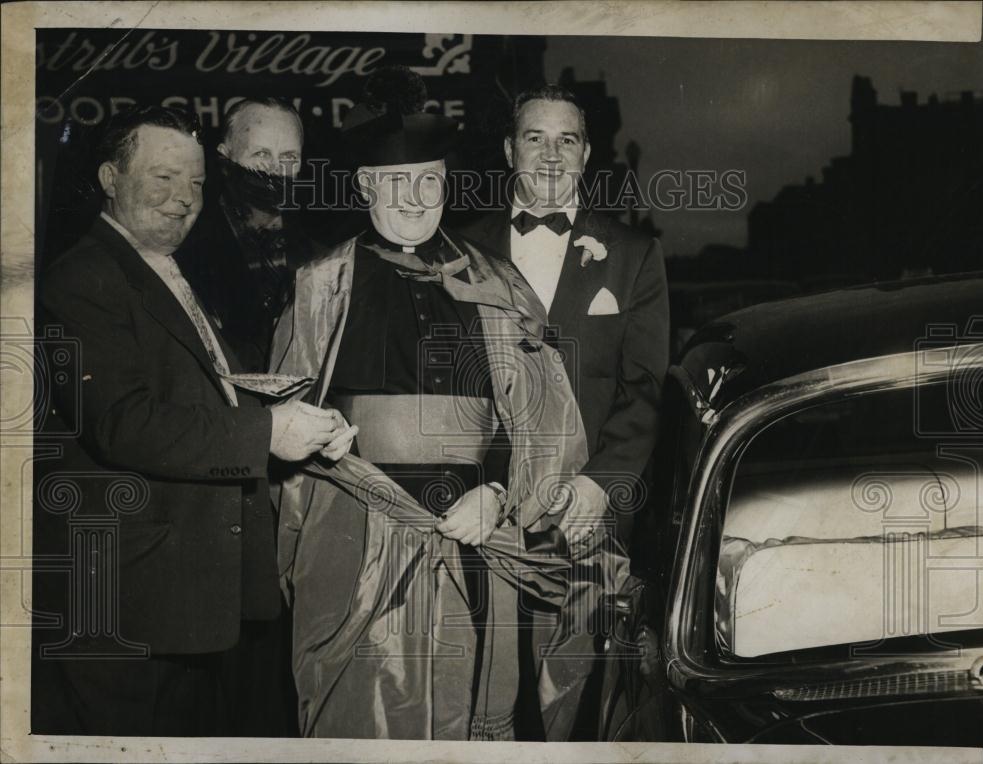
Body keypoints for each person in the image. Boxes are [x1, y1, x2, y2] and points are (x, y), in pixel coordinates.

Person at [269, 67, 593, 740]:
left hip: (475, 532)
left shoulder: (497, 285)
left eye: (428, 180)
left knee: (472, 710)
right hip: (358, 541)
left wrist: (498, 494)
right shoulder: (320, 286)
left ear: (447, 184)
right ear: (364, 187)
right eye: (395, 182)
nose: (414, 198)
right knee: (363, 718)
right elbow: (283, 433)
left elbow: (540, 417)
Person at [32, 105, 354, 736]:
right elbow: (123, 423)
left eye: (197, 183)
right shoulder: (80, 278)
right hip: (126, 600)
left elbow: (213, 391)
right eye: (162, 179)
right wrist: (269, 434)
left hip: (181, 597)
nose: (183, 200)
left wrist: (303, 423)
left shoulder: (163, 267)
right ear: (108, 178)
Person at [460, 84, 671, 740]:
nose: (551, 157)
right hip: (487, 515)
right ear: (507, 150)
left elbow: (645, 389)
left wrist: (598, 483)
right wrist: (482, 485)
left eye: (567, 140)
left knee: (584, 713)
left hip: (589, 524)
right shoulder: (459, 250)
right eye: (534, 138)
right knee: (488, 704)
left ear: (586, 157)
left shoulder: (633, 255)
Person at [176, 97, 315, 372]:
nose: (275, 169)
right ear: (224, 158)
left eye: (289, 157)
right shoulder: (184, 250)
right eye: (261, 154)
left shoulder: (318, 254)